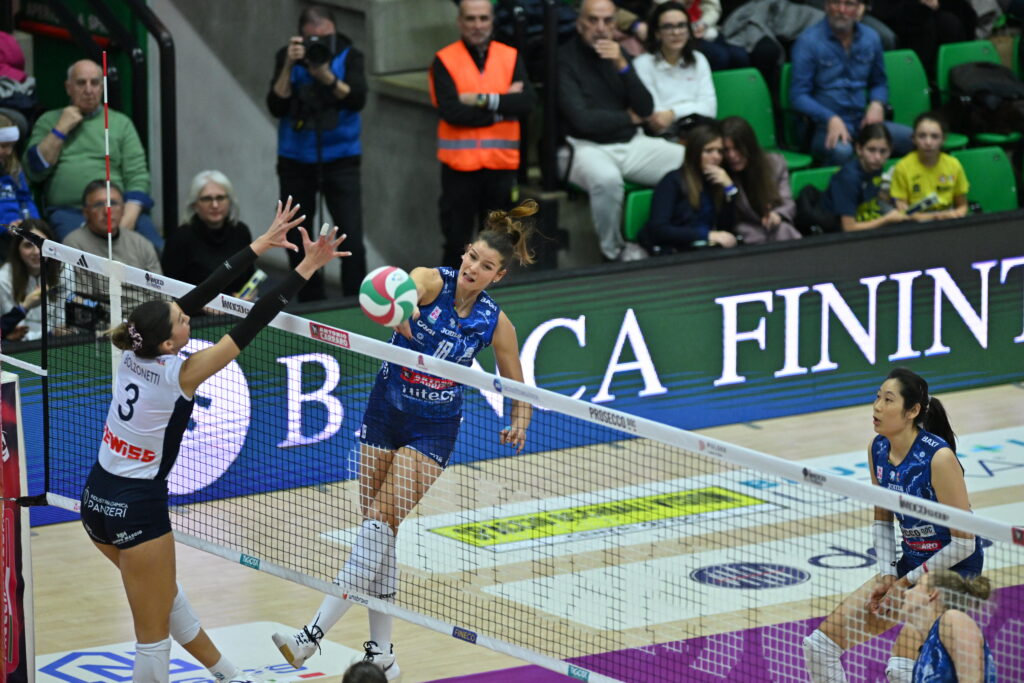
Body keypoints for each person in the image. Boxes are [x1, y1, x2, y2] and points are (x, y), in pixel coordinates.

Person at [78, 197, 349, 682]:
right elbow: (254, 320)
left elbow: (201, 292)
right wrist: (307, 267)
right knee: (152, 637)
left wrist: (259, 244)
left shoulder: (134, 350)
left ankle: (231, 676)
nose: (189, 317)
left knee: (167, 600)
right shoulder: (181, 374)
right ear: (169, 343)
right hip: (137, 508)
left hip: (96, 498)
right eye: (182, 321)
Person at [273, 200, 538, 680]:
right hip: (384, 411)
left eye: (486, 266)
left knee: (378, 523)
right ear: (464, 252)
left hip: (433, 429)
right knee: (378, 532)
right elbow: (402, 288)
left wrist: (520, 417)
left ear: (498, 276)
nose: (474, 269)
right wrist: (400, 306)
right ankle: (383, 655)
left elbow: (517, 382)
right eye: (472, 257)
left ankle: (309, 638)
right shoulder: (431, 281)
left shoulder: (494, 322)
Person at [803, 367, 984, 683]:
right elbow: (882, 518)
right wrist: (888, 574)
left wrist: (904, 583)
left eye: (888, 400)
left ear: (912, 411)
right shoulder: (878, 449)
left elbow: (965, 543)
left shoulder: (938, 459)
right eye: (877, 397)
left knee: (900, 670)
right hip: (909, 565)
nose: (877, 407)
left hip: (951, 574)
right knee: (819, 647)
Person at [558, 0, 685, 262]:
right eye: (593, 20)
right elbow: (583, 121)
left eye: (607, 21)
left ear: (615, 25)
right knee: (606, 180)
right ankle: (613, 252)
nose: (600, 28)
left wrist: (621, 64)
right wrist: (628, 117)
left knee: (689, 161)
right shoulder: (563, 58)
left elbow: (646, 108)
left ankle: (679, 236)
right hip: (582, 147)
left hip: (631, 143)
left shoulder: (620, 55)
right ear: (579, 24)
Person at [268, 4, 368, 301]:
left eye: (325, 39)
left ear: (334, 32)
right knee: (296, 237)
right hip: (295, 160)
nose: (318, 45)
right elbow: (276, 105)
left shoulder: (351, 55)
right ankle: (308, 302)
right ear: (301, 36)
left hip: (342, 159)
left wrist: (325, 75)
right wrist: (289, 64)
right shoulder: (287, 57)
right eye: (313, 39)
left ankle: (355, 303)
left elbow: (357, 99)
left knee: (351, 236)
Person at [429, 0, 536, 267]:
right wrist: (502, 108)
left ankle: (491, 292)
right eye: (470, 18)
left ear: (492, 21)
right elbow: (452, 112)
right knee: (456, 243)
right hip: (459, 170)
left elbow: (526, 103)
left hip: (500, 167)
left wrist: (480, 100)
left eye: (483, 18)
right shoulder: (444, 60)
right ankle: (451, 291)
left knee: (497, 245)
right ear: (460, 22)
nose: (477, 25)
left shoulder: (509, 56)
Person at [24, 60, 162, 249]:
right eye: (81, 83)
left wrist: (124, 222)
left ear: (102, 87)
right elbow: (34, 171)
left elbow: (138, 176)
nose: (88, 90)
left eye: (95, 83)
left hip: (118, 210)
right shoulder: (49, 120)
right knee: (78, 257)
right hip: (70, 211)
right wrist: (61, 129)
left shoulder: (120, 123)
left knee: (156, 249)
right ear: (68, 87)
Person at [790, 0, 912, 166]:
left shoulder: (871, 38)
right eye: (836, 3)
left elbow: (879, 82)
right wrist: (830, 117)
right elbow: (798, 96)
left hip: (862, 121)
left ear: (859, 8)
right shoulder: (808, 42)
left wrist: (877, 103)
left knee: (913, 139)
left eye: (849, 4)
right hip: (822, 126)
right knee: (842, 152)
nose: (841, 10)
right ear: (826, 5)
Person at [641, 123, 737, 253]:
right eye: (709, 151)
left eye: (720, 151)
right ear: (695, 152)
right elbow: (659, 229)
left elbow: (725, 229)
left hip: (707, 249)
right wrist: (706, 235)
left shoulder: (717, 182)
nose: (716, 157)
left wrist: (729, 189)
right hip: (678, 251)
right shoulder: (672, 181)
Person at [888, 570, 997, 682]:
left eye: (917, 585)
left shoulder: (953, 618)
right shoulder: (923, 656)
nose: (906, 593)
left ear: (932, 593)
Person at [63, 180, 162, 302]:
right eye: (99, 204)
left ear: (123, 209)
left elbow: (161, 293)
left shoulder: (142, 244)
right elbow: (81, 299)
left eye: (113, 203)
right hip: (101, 312)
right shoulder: (73, 245)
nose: (107, 211)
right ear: (86, 212)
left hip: (146, 311)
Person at [162, 170, 256, 297]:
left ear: (229, 201)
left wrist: (249, 295)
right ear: (195, 205)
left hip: (238, 307)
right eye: (207, 199)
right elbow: (169, 290)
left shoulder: (241, 232)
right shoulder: (179, 238)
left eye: (220, 198)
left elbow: (250, 278)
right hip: (194, 308)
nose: (215, 205)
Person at [633, 2, 716, 141]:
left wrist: (673, 112)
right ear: (657, 33)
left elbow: (710, 108)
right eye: (668, 27)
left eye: (681, 25)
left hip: (700, 128)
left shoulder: (698, 59)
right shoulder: (642, 64)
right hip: (665, 135)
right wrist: (692, 108)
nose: (676, 32)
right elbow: (657, 119)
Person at [720, 116, 800, 244]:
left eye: (737, 148)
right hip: (744, 231)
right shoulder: (720, 174)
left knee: (784, 231)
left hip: (774, 225)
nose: (732, 155)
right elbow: (725, 220)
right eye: (726, 150)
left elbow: (787, 202)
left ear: (749, 146)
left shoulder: (775, 164)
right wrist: (729, 187)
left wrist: (777, 215)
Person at [819, 123, 906, 232]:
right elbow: (849, 228)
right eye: (871, 150)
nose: (877, 157)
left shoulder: (875, 167)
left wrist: (896, 200)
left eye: (883, 151)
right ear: (859, 149)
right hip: (839, 232)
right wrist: (886, 220)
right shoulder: (848, 178)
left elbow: (875, 193)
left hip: (866, 214)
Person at [889, 113, 969, 223]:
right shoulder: (902, 167)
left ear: (943, 139)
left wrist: (956, 214)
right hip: (916, 224)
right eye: (922, 136)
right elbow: (904, 213)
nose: (928, 142)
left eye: (934, 137)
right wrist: (935, 217)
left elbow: (962, 206)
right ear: (914, 139)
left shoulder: (953, 165)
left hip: (948, 221)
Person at [871, 1, 976, 77]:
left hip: (932, 13)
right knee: (926, 25)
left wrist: (937, 3)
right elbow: (883, 10)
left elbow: (965, 10)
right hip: (899, 15)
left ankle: (959, 81)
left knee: (950, 23)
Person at [0, 219, 64, 341]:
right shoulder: (3, 279)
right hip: (24, 345)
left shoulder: (63, 269)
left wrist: (60, 332)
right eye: (28, 245)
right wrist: (51, 334)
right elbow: (18, 332)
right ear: (17, 248)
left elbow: (63, 321)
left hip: (60, 342)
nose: (36, 251)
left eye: (42, 244)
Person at [0, 111, 39, 239]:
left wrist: (31, 223)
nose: (9, 152)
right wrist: (6, 227)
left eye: (12, 146)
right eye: (3, 146)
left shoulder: (14, 168)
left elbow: (25, 199)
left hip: (17, 232)